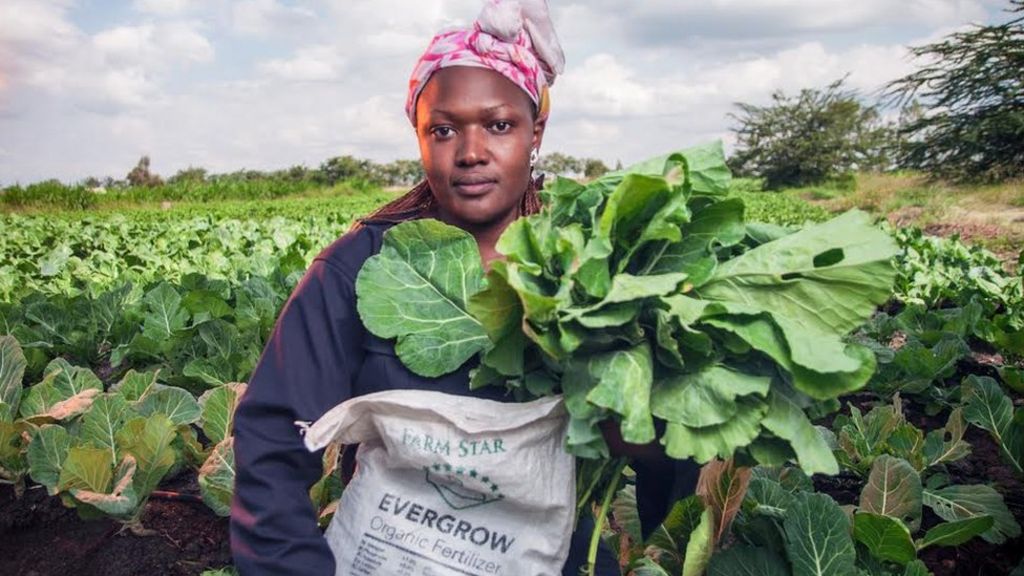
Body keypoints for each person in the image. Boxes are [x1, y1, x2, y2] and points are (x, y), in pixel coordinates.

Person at [229, 1, 699, 574]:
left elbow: (675, 463)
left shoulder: (599, 278)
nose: (471, 151)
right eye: (444, 129)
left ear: (536, 132)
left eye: (499, 124)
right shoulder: (356, 268)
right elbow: (274, 442)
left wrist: (638, 437)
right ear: (419, 137)